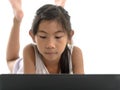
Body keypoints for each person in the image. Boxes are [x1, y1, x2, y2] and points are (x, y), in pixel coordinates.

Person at [6, 0, 84, 74]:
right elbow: (29, 86)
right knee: (11, 60)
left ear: (70, 36)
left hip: (67, 44)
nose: (50, 45)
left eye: (58, 37)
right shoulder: (29, 51)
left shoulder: (75, 53)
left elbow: (81, 86)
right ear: (33, 36)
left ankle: (58, 10)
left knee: (60, 28)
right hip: (25, 66)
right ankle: (17, 19)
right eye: (43, 37)